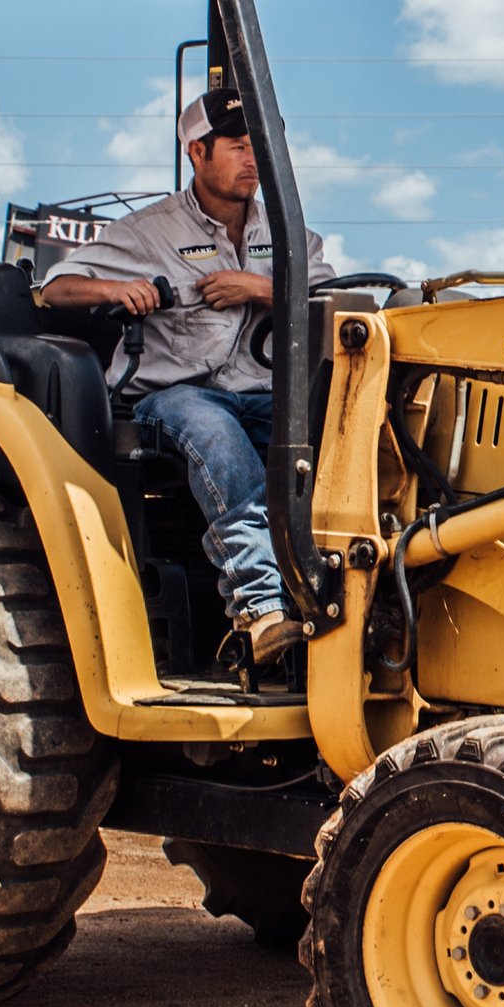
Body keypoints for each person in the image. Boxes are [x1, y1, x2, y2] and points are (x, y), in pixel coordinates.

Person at [38, 86, 329, 665]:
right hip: (174, 397)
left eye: (261, 148)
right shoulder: (147, 232)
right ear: (197, 152)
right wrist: (116, 289)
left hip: (266, 393)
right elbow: (53, 288)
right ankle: (262, 606)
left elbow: (330, 303)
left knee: (338, 430)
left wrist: (260, 288)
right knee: (214, 430)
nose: (254, 160)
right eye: (239, 147)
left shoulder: (290, 237)